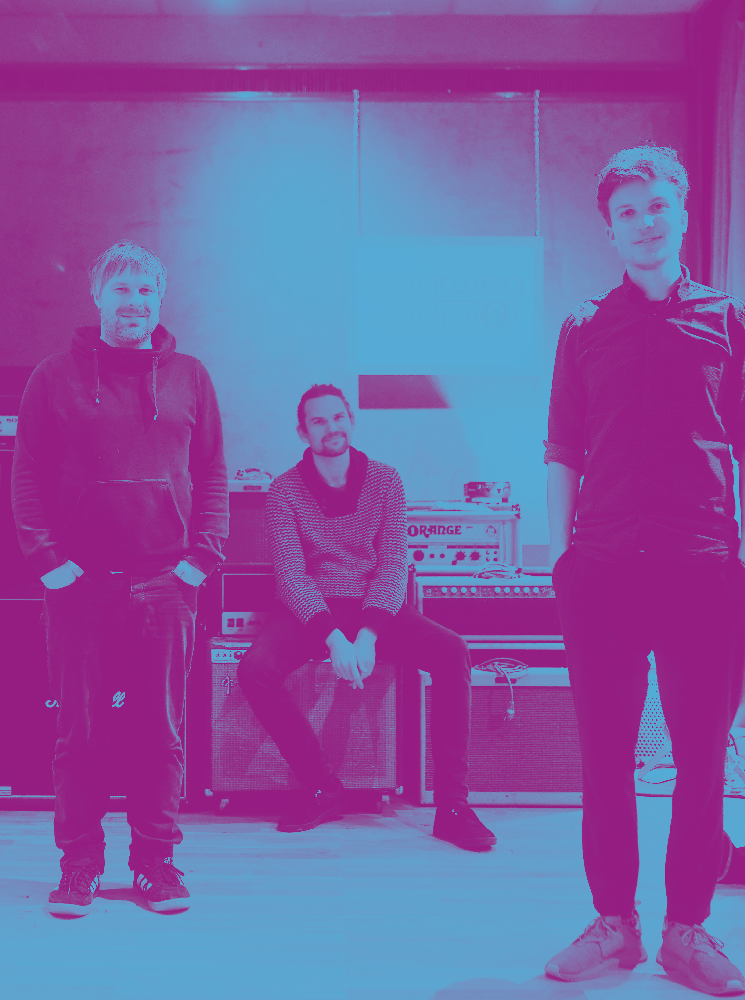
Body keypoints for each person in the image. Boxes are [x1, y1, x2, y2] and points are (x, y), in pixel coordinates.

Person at [542, 146, 745, 996]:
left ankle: (687, 930)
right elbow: (562, 449)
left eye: (656, 206)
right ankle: (614, 923)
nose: (644, 222)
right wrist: (562, 556)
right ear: (609, 230)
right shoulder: (582, 328)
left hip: (701, 570)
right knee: (605, 757)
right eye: (627, 212)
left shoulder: (729, 320)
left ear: (680, 214)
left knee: (700, 759)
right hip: (601, 569)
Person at [12, 241, 229, 917]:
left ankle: (154, 864)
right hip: (80, 588)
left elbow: (213, 473)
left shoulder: (191, 377)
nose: (134, 302)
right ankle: (79, 865)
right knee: (79, 735)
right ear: (97, 297)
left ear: (158, 301)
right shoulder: (54, 377)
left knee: (159, 733)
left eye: (145, 291)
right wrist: (49, 562)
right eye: (122, 289)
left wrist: (200, 559)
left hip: (165, 586)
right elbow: (26, 476)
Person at [236, 384, 496, 851]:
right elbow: (291, 576)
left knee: (452, 651)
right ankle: (323, 787)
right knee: (255, 669)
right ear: (303, 432)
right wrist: (335, 638)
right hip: (313, 608)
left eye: (338, 417)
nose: (331, 427)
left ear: (351, 421)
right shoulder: (284, 491)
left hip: (374, 605)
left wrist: (369, 634)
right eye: (318, 421)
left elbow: (394, 563)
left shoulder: (385, 480)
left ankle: (453, 807)